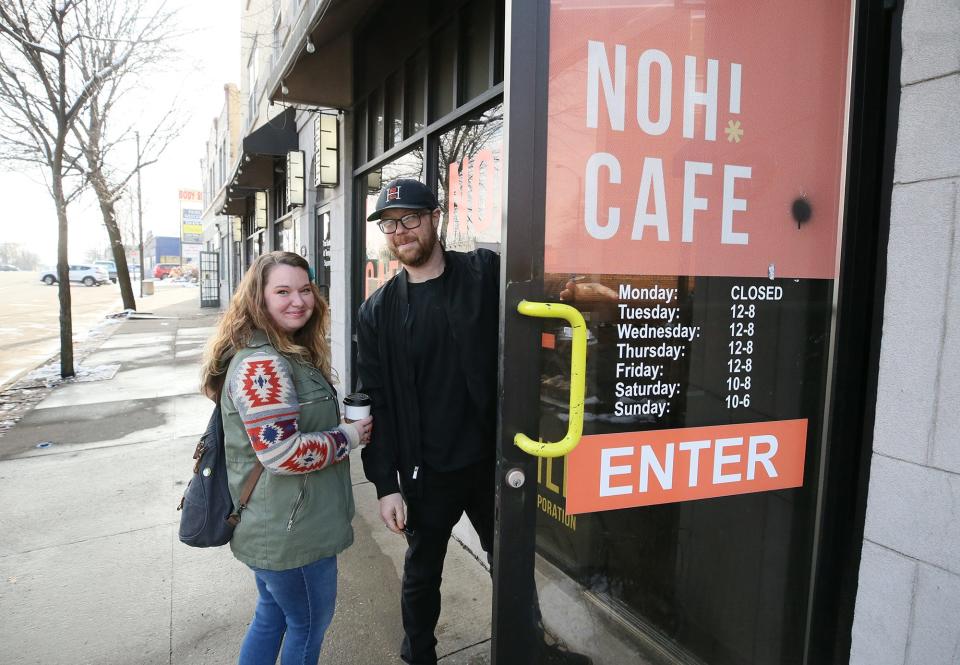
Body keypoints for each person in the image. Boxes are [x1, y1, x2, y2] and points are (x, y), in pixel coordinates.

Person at [199, 251, 373, 665]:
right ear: (258, 298)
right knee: (307, 626)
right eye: (282, 291)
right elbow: (282, 453)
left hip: (277, 522)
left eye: (305, 290)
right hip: (290, 532)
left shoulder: (281, 350)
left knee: (273, 615)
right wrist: (348, 435)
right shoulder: (263, 363)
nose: (298, 301)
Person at [356, 178, 500, 665]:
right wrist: (384, 485)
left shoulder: (483, 275)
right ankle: (419, 655)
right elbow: (375, 401)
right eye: (390, 224)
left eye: (410, 218)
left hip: (490, 463)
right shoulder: (378, 311)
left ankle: (528, 643)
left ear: (435, 216)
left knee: (512, 563)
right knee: (422, 577)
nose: (400, 232)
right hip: (427, 470)